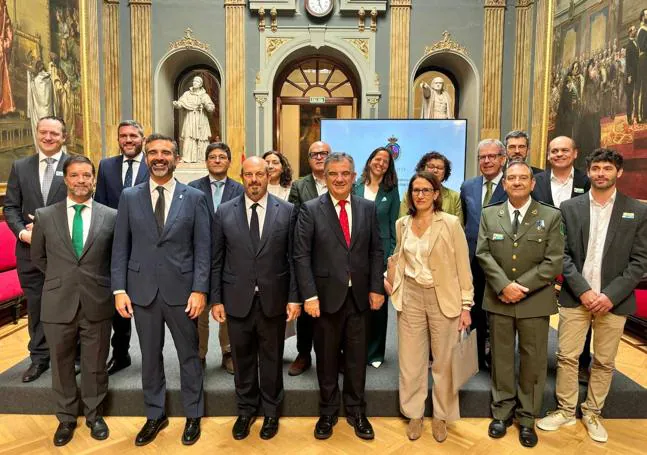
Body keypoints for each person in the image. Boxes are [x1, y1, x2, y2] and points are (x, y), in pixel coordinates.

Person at [537, 148, 647, 443]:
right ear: (589, 172)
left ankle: (593, 412)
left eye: (607, 169)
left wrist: (609, 295)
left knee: (604, 361)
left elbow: (640, 262)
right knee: (567, 357)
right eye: (596, 168)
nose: (601, 173)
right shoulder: (570, 208)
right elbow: (562, 254)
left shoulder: (638, 211)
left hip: (615, 301)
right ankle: (564, 409)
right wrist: (584, 290)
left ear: (618, 173)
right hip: (576, 297)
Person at [111, 133, 211, 446]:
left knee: (189, 357)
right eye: (152, 152)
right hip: (141, 292)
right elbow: (120, 247)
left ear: (176, 159)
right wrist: (119, 290)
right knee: (150, 357)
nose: (158, 157)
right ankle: (155, 414)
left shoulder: (194, 197)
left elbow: (203, 248)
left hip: (183, 293)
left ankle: (194, 414)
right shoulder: (129, 196)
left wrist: (199, 289)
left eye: (165, 152)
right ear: (145, 156)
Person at [294, 152, 384, 441]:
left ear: (354, 176)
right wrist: (308, 295)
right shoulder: (310, 209)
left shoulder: (367, 209)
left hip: (359, 298)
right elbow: (301, 255)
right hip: (324, 299)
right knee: (327, 358)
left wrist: (376, 288)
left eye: (345, 173)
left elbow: (376, 251)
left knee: (357, 359)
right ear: (326, 176)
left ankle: (357, 411)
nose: (340, 179)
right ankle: (328, 411)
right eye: (333, 174)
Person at [210, 157, 300, 441]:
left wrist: (294, 298)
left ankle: (272, 412)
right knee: (242, 358)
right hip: (236, 299)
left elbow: (294, 258)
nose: (254, 180)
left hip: (274, 299)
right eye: (248, 174)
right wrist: (216, 299)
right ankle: (246, 409)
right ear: (242, 177)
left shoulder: (287, 211)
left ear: (268, 175)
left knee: (272, 358)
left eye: (260, 174)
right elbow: (216, 260)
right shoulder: (224, 211)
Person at [476, 161, 564, 448]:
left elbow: (553, 261)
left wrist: (520, 287)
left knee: (533, 362)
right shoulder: (490, 214)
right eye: (511, 178)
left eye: (522, 178)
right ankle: (501, 413)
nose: (516, 182)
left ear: (532, 183)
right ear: (504, 184)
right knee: (501, 359)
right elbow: (483, 253)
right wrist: (504, 286)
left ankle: (527, 418)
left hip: (535, 300)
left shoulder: (550, 216)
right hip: (499, 298)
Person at [30, 155, 117, 447]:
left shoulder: (111, 216)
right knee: (62, 362)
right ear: (65, 179)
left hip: (97, 300)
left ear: (94, 179)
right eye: (75, 175)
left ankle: (94, 414)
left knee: (95, 363)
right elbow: (39, 258)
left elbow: (114, 259)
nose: (81, 181)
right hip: (57, 302)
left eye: (87, 176)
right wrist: (63, 279)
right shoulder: (45, 216)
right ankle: (66, 418)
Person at [385, 171, 472, 442]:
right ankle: (414, 414)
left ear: (436, 194)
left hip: (442, 297)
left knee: (444, 362)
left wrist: (466, 305)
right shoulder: (402, 223)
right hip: (410, 296)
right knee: (411, 361)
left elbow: (462, 266)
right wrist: (391, 282)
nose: (420, 195)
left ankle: (441, 416)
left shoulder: (450, 223)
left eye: (425, 190)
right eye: (415, 190)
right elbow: (399, 258)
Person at [4, 116, 69, 383]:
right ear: (37, 134)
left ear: (63, 136)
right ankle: (39, 358)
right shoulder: (21, 167)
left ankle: (71, 357)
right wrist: (22, 232)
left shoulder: (76, 164)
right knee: (37, 306)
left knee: (69, 307)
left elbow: (85, 204)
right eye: (43, 132)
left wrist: (48, 230)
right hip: (29, 253)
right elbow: (10, 207)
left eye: (54, 133)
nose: (48, 137)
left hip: (65, 253)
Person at [532, 136, 593, 382]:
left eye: (564, 150)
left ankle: (580, 361)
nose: (559, 154)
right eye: (554, 151)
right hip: (539, 253)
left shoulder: (586, 181)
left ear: (575, 153)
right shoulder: (536, 181)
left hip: (576, 254)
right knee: (535, 307)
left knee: (580, 305)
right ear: (548, 155)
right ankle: (534, 358)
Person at [94, 119, 149, 376]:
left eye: (133, 136)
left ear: (142, 138)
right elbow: (101, 204)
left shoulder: (155, 164)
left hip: (146, 245)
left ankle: (152, 354)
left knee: (148, 302)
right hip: (115, 244)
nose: (128, 140)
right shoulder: (106, 166)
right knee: (119, 298)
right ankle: (120, 353)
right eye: (123, 136)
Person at [188, 142, 243, 374]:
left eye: (222, 156)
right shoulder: (192, 188)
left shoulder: (240, 189)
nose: (217, 160)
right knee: (199, 310)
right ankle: (199, 354)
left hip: (230, 259)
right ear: (206, 161)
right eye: (213, 157)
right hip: (199, 259)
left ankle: (228, 352)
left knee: (227, 309)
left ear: (229, 162)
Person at [459, 139, 508, 369]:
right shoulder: (468, 186)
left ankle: (497, 358)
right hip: (472, 259)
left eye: (492, 156)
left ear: (502, 159)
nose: (487, 161)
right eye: (482, 157)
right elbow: (467, 222)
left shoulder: (512, 184)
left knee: (499, 313)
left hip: (502, 261)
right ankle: (476, 356)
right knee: (475, 309)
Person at [353, 146, 399, 368]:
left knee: (379, 308)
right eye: (377, 159)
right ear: (370, 160)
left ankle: (376, 352)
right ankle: (358, 349)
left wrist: (389, 261)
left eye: (386, 161)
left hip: (381, 257)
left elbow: (393, 227)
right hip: (357, 256)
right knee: (358, 306)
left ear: (389, 166)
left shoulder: (391, 192)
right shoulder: (355, 187)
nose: (381, 163)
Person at [287, 141, 331, 376]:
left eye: (324, 153)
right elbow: (294, 222)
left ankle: (336, 355)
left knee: (335, 309)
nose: (319, 157)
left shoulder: (342, 182)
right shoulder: (299, 186)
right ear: (309, 159)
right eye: (314, 154)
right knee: (306, 310)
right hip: (308, 257)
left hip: (335, 259)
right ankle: (304, 354)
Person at [399, 151, 463, 224]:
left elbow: (459, 227)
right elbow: (402, 224)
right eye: (431, 167)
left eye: (440, 168)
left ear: (445, 172)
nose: (435, 170)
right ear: (423, 168)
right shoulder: (409, 195)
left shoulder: (454, 197)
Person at [173, 75, 216, 162]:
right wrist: (177, 105)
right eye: (193, 81)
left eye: (197, 82)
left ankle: (202, 158)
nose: (194, 83)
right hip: (190, 118)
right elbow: (181, 102)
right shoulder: (187, 94)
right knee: (189, 137)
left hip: (201, 118)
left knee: (202, 138)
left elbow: (211, 108)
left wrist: (205, 104)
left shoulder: (204, 95)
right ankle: (187, 158)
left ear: (200, 84)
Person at [625, 26, 639, 124]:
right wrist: (629, 75)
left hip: (638, 73)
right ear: (630, 32)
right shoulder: (628, 45)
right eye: (634, 30)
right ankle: (629, 117)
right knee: (630, 96)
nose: (636, 30)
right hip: (631, 75)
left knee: (637, 95)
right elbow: (628, 62)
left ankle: (637, 115)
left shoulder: (636, 43)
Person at [636, 9, 647, 123]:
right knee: (644, 89)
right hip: (644, 61)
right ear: (643, 17)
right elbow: (643, 46)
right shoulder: (642, 30)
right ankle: (642, 116)